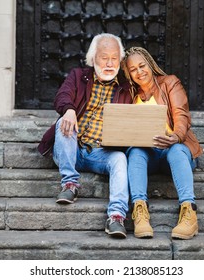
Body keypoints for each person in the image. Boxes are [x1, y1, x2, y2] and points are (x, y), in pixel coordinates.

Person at [38, 33, 133, 238]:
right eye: (104, 57)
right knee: (65, 122)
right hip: (72, 147)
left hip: (101, 153)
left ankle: (116, 216)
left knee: (120, 159)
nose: (109, 63)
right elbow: (62, 96)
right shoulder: (79, 76)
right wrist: (69, 110)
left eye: (114, 58)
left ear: (120, 60)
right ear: (93, 59)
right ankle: (70, 183)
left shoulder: (127, 87)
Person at [121, 47, 204, 240]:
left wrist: (176, 136)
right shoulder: (130, 96)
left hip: (174, 152)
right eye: (133, 69)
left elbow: (181, 114)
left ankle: (189, 212)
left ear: (150, 64)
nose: (139, 72)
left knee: (175, 150)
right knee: (135, 152)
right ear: (129, 74)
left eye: (142, 66)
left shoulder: (169, 83)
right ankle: (140, 211)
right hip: (149, 156)